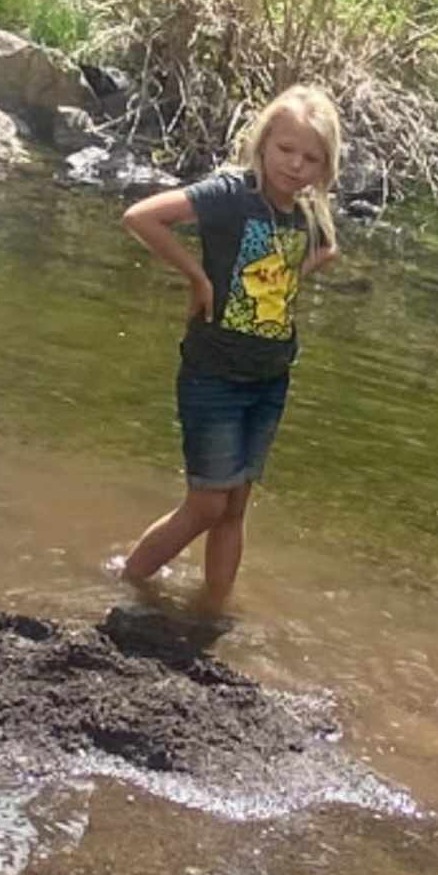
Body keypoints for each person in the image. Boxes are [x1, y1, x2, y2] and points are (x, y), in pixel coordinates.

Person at [113, 85, 344, 618]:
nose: (296, 164)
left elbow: (329, 249)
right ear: (263, 143)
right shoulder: (232, 194)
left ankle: (213, 609)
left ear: (324, 166)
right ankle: (128, 583)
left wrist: (285, 280)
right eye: (286, 149)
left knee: (236, 505)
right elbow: (142, 217)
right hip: (214, 374)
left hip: (269, 378)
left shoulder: (305, 214)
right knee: (206, 503)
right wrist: (198, 278)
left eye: (311, 158)